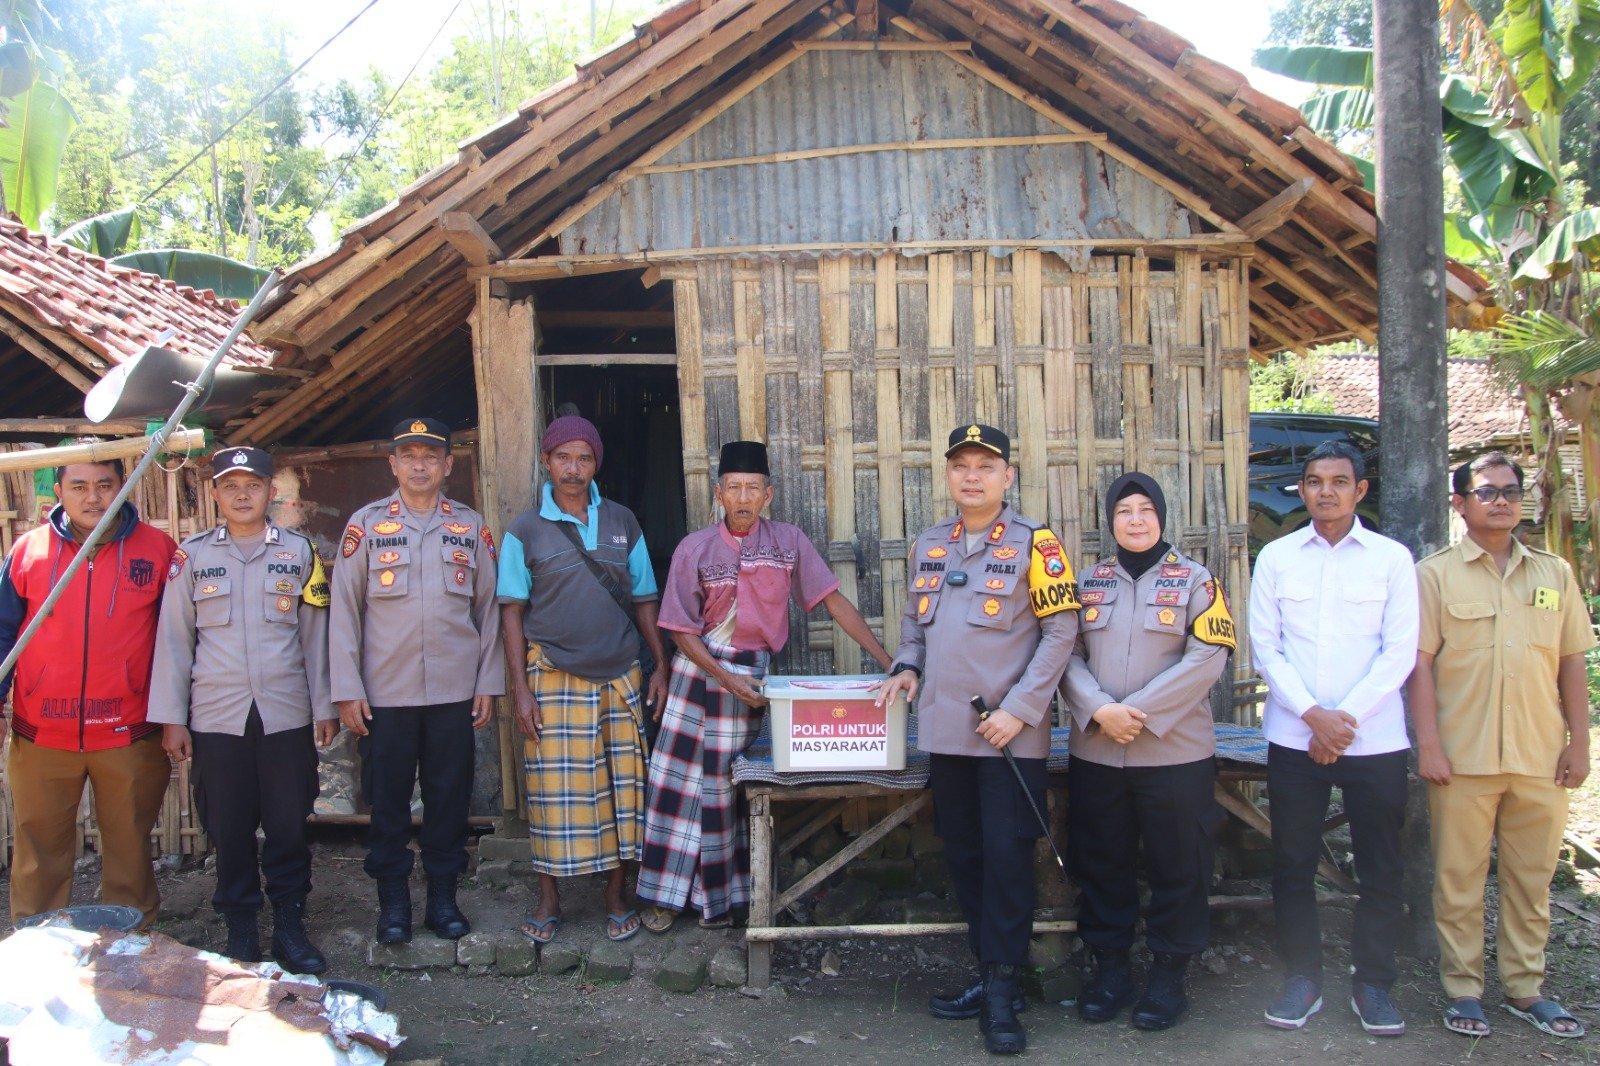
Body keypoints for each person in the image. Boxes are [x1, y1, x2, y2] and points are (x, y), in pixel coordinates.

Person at [878, 423, 1080, 1056]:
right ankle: (988, 972)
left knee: (1008, 862)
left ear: (1007, 477)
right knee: (964, 858)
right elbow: (914, 624)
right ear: (949, 476)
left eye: (985, 467)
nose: (972, 476)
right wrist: (907, 665)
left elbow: (1062, 633)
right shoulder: (930, 544)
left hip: (1007, 738)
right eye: (961, 466)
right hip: (946, 730)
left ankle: (1002, 992)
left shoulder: (1037, 545)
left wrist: (1020, 710)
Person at [637, 440, 891, 933]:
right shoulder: (696, 548)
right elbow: (679, 630)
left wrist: (886, 660)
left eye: (753, 488)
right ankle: (664, 900)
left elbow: (831, 602)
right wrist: (724, 677)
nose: (744, 497)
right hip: (700, 673)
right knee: (675, 786)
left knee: (723, 791)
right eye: (734, 487)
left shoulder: (788, 543)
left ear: (768, 495)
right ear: (719, 493)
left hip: (750, 679)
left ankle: (719, 900)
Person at [1410, 453, 1592, 1040]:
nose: (1502, 502)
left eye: (1511, 492)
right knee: (1458, 878)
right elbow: (1418, 667)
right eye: (1486, 493)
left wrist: (1579, 743)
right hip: (1462, 758)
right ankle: (1464, 988)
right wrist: (1429, 746)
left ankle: (1525, 987)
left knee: (1531, 877)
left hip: (1540, 755)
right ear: (1459, 504)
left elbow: (1570, 663)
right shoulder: (1435, 575)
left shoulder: (1555, 575)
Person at [1249, 440, 1418, 1037]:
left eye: (1339, 481)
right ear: (1303, 488)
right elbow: (1266, 648)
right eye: (1315, 481)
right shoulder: (1276, 558)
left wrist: (1341, 720)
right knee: (1292, 863)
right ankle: (1304, 979)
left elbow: (1398, 653)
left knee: (1380, 867)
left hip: (1373, 742)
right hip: (1296, 739)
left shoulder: (1392, 559)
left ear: (1360, 490)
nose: (1326, 491)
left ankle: (1373, 984)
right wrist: (1314, 716)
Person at [147, 446, 338, 973]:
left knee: (288, 826)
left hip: (285, 714)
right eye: (230, 485)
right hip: (216, 718)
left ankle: (291, 929)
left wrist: (324, 706)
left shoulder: (300, 554)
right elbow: (174, 641)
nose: (242, 493)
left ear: (270, 491)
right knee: (228, 828)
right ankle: (240, 932)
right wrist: (171, 718)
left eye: (252, 484)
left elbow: (316, 638)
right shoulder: (192, 558)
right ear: (215, 494)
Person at [1061, 471, 1234, 1031]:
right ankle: (1110, 969)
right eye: (1123, 511)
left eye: (1145, 509)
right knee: (1102, 862)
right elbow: (1064, 654)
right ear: (1109, 522)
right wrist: (1099, 710)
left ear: (1161, 516)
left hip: (1175, 755)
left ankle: (1167, 975)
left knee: (1178, 865)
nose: (1135, 520)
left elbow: (1209, 657)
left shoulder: (1199, 582)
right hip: (1098, 753)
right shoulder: (1086, 583)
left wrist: (1137, 713)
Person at [328, 417, 503, 944]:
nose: (420, 464)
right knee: (388, 801)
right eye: (410, 456)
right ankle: (394, 906)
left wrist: (488, 681)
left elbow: (489, 609)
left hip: (454, 691)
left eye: (431, 456)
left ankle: (443, 900)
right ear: (394, 465)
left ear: (448, 465)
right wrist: (347, 689)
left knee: (449, 799)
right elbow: (343, 610)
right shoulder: (366, 525)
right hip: (385, 695)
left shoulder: (469, 527)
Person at [497, 416, 670, 945]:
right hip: (552, 676)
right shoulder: (523, 531)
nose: (574, 468)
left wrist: (660, 664)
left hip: (620, 674)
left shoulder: (623, 521)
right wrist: (519, 690)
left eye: (584, 458)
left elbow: (644, 598)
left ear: (597, 464)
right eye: (563, 457)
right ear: (547, 463)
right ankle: (549, 899)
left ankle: (615, 897)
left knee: (623, 792)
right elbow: (511, 612)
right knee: (553, 795)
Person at [0, 444, 176, 927]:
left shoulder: (158, 551)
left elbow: (179, 639)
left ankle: (131, 947)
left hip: (128, 731)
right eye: (79, 486)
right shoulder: (28, 551)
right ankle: (37, 946)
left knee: (130, 848)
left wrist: (175, 716)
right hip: (41, 735)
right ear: (58, 491)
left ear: (122, 486)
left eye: (104, 485)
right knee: (37, 847)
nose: (93, 497)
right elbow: (2, 631)